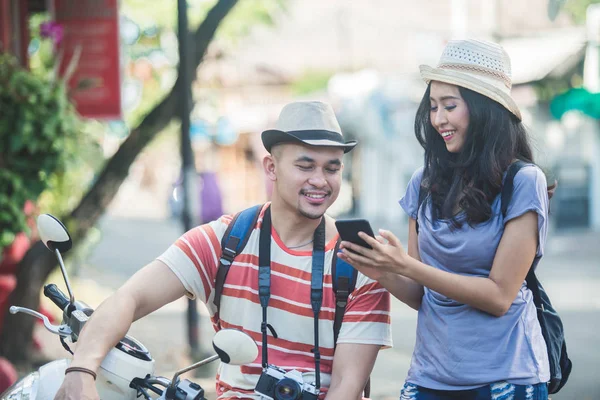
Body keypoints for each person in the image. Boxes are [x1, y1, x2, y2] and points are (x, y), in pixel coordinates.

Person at [55, 101, 392, 400]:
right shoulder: (227, 239)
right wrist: (81, 370)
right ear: (271, 168)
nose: (321, 180)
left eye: (331, 168)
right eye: (305, 166)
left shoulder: (358, 261)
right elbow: (129, 298)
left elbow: (347, 386)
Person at [338, 39, 555, 399]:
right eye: (433, 106)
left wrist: (406, 265)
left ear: (485, 109)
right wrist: (383, 270)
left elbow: (499, 296)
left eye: (450, 106)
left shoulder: (522, 182)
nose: (438, 119)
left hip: (505, 377)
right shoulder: (424, 183)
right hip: (429, 377)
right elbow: (421, 295)